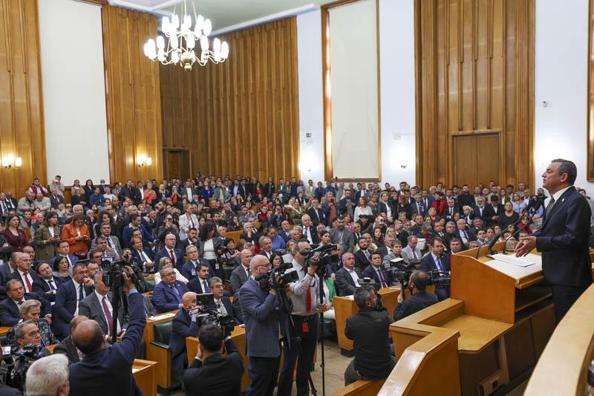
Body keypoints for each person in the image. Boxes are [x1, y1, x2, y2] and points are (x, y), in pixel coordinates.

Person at [516, 159, 593, 321]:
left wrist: (537, 243)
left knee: (569, 327)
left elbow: (573, 238)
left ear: (563, 176)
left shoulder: (576, 201)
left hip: (569, 277)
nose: (543, 175)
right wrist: (533, 238)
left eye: (549, 171)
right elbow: (549, 230)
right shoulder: (555, 200)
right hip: (557, 273)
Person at [69, 269, 145, 396]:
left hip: (120, 335)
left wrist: (124, 331)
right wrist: (131, 287)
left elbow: (126, 316)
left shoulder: (72, 374)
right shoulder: (120, 354)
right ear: (102, 339)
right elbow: (138, 321)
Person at [278, 240, 329, 396]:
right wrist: (310, 272)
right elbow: (298, 290)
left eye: (310, 250)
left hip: (312, 317)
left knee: (306, 360)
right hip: (295, 320)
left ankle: (303, 392)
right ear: (295, 253)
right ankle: (284, 393)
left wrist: (323, 303)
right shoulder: (288, 270)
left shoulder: (312, 269)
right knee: (290, 361)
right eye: (304, 251)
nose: (309, 254)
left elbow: (320, 290)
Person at [239, 255, 288, 396]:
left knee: (271, 384)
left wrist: (286, 294)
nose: (269, 268)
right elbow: (260, 314)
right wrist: (273, 292)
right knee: (258, 388)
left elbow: (283, 309)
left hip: (275, 342)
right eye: (266, 265)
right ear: (257, 268)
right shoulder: (246, 289)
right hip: (261, 346)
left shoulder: (268, 284)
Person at [344, 286, 394, 385]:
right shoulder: (384, 316)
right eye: (374, 297)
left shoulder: (351, 321)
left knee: (347, 374)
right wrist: (381, 307)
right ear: (368, 302)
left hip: (364, 369)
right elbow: (389, 322)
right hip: (385, 368)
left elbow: (349, 336)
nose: (377, 298)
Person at [183, 324, 244, 396]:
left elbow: (187, 384)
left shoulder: (191, 377)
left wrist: (198, 357)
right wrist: (226, 336)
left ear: (201, 348)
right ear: (222, 346)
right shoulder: (236, 362)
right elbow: (234, 351)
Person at [53, 263, 95, 338]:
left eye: (86, 272)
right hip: (69, 320)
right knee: (72, 335)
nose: (85, 275)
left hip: (87, 318)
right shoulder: (64, 287)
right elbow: (59, 307)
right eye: (81, 273)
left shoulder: (89, 286)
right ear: (74, 274)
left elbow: (97, 299)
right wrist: (73, 319)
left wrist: (93, 286)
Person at [78, 272, 125, 338]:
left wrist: (124, 330)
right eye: (104, 280)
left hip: (122, 337)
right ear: (95, 283)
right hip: (100, 341)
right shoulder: (85, 304)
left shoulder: (115, 296)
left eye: (109, 280)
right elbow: (86, 328)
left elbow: (126, 316)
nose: (107, 283)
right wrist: (105, 337)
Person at [171, 292, 199, 382]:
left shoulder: (199, 312)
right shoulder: (178, 319)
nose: (197, 304)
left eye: (197, 301)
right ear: (186, 305)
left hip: (196, 345)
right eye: (194, 302)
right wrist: (194, 316)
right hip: (182, 352)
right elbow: (191, 333)